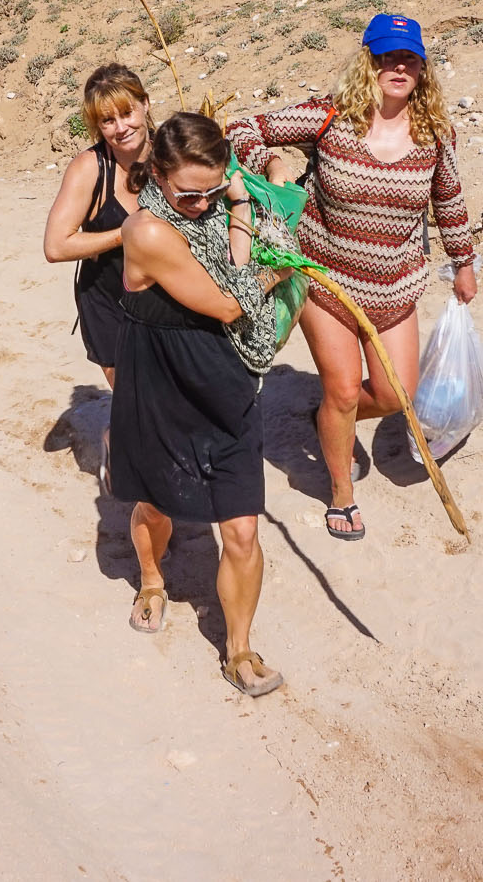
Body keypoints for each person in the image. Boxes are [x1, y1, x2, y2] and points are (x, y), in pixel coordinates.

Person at [225, 14, 477, 542]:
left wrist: (464, 264)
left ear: (422, 67)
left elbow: (449, 201)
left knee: (393, 396)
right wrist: (270, 165)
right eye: (387, 56)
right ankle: (342, 491)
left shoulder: (436, 133)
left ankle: (330, 420)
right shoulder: (330, 117)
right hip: (327, 279)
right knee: (342, 390)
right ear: (369, 61)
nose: (398, 66)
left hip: (396, 286)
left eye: (409, 58)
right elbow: (243, 129)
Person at [112, 113, 288, 698]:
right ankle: (154, 581)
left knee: (241, 528)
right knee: (158, 505)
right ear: (157, 175)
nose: (200, 203)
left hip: (224, 379)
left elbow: (234, 265)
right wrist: (276, 269)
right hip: (162, 384)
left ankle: (238, 647)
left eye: (211, 188)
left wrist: (234, 204)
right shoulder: (148, 232)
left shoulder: (212, 206)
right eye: (188, 192)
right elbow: (232, 303)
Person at [41, 64, 152, 390]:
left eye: (127, 113)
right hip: (109, 303)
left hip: (170, 299)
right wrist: (126, 233)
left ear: (145, 103)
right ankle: (112, 438)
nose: (121, 127)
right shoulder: (89, 168)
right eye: (108, 120)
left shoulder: (173, 153)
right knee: (135, 404)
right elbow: (56, 246)